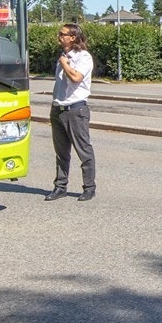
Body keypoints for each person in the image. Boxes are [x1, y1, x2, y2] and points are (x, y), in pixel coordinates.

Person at [46, 24, 96, 202]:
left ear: (73, 37)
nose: (59, 37)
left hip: (76, 109)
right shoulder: (62, 57)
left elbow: (76, 78)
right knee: (61, 152)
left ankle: (89, 187)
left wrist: (65, 64)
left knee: (83, 150)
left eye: (63, 34)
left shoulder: (83, 57)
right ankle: (60, 187)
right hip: (58, 109)